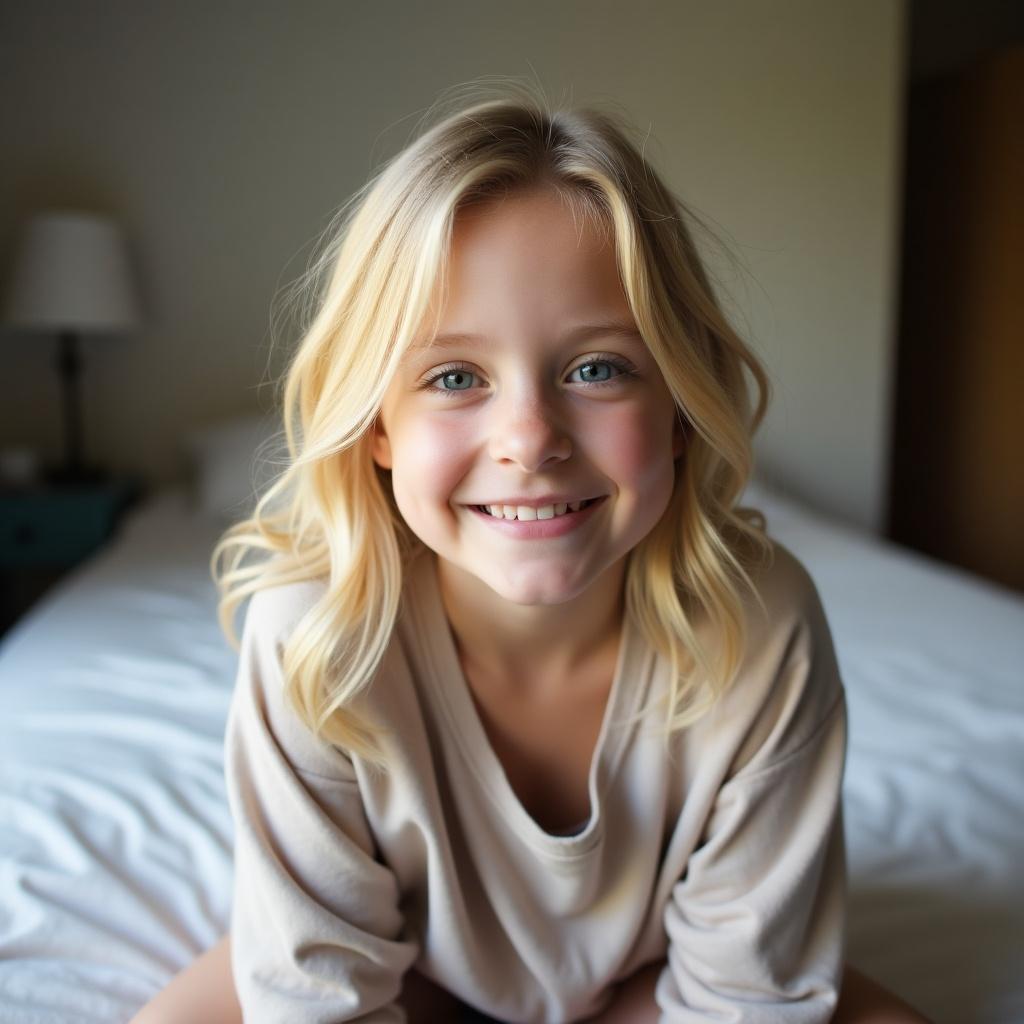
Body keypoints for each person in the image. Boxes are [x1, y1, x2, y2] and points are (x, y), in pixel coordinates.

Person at [131, 84, 931, 1023]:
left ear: (678, 407)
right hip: (402, 967)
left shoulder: (762, 625)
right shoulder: (317, 638)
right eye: (454, 376)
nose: (530, 439)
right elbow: (322, 1000)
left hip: (656, 976)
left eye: (597, 368)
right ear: (376, 429)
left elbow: (746, 1004)